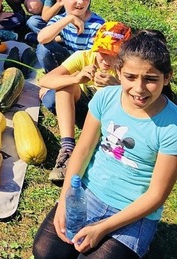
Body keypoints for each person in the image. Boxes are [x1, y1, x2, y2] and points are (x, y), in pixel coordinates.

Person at [32, 30, 177, 259]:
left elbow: (157, 195)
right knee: (44, 253)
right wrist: (65, 201)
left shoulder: (172, 126)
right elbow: (83, 151)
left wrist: (102, 228)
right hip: (87, 194)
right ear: (118, 72)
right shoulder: (105, 98)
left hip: (133, 213)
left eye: (150, 79)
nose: (139, 89)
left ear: (166, 77)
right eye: (130, 77)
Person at [38, 22, 132, 182]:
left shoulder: (127, 68)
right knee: (65, 87)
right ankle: (67, 149)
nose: (107, 60)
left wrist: (117, 86)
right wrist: (75, 77)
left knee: (52, 97)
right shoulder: (83, 57)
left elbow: (138, 100)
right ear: (95, 47)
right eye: (103, 52)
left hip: (109, 120)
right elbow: (45, 80)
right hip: (85, 110)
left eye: (114, 55)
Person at [36, 0, 105, 74]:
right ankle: (52, 75)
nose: (80, 2)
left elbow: (93, 57)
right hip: (68, 56)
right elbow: (42, 38)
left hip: (86, 63)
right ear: (60, 0)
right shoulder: (60, 19)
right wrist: (69, 19)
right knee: (43, 47)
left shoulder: (97, 24)